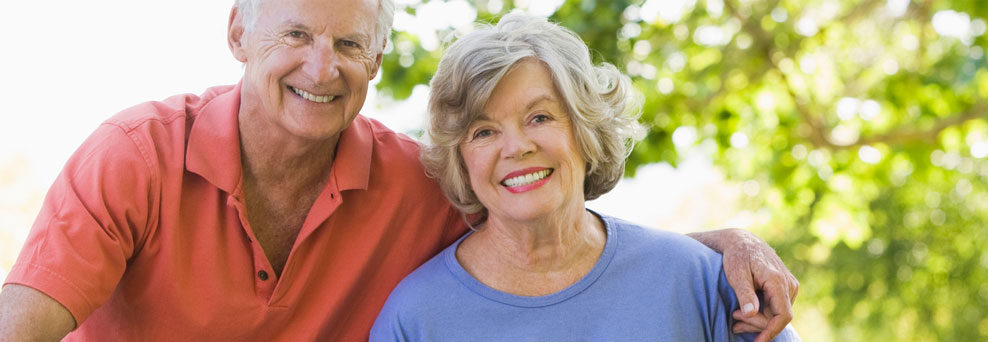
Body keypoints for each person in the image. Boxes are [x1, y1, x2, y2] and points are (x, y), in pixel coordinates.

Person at [0, 0, 796, 340]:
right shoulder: (135, 156)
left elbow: (551, 239)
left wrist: (715, 249)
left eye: (349, 43)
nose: (322, 64)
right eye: (296, 34)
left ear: (377, 58)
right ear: (239, 32)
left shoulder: (413, 182)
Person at [371, 13, 799, 342]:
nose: (516, 147)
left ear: (585, 129)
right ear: (462, 159)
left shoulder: (703, 282)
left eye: (539, 117)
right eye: (484, 132)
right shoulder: (416, 318)